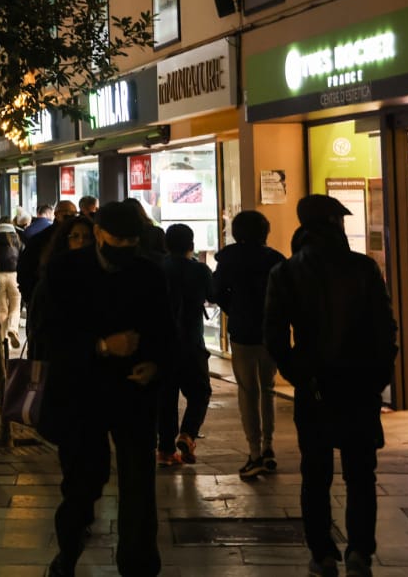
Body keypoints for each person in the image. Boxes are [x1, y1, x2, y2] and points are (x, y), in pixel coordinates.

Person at [265, 194, 397, 577]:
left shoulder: (286, 273)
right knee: (360, 474)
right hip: (360, 384)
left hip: (315, 386)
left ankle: (322, 552)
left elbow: (274, 336)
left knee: (316, 473)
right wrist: (378, 374)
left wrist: (298, 373)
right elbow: (384, 326)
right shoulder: (363, 268)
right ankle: (359, 552)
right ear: (334, 224)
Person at [39, 200, 172, 577]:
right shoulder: (65, 271)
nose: (125, 246)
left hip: (134, 393)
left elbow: (165, 330)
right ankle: (68, 552)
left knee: (138, 483)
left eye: (132, 240)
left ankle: (139, 563)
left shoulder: (148, 272)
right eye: (118, 239)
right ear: (99, 234)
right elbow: (51, 335)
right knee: (82, 483)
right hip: (82, 394)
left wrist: (155, 365)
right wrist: (100, 346)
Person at [212, 209, 285, 480]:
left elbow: (215, 290)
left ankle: (253, 452)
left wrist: (233, 308)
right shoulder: (275, 259)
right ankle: (268, 448)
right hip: (270, 331)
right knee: (268, 388)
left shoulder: (229, 259)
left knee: (247, 390)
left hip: (242, 331)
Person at [156, 224, 214, 467]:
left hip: (162, 344)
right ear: (191, 244)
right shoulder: (200, 270)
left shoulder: (157, 269)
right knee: (200, 393)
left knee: (166, 398)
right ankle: (188, 434)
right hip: (191, 342)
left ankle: (166, 450)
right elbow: (213, 295)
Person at [0, 216, 23, 349]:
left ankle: (3, 342)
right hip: (14, 276)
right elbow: (23, 260)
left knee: (2, 309)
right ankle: (12, 329)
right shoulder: (17, 240)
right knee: (15, 307)